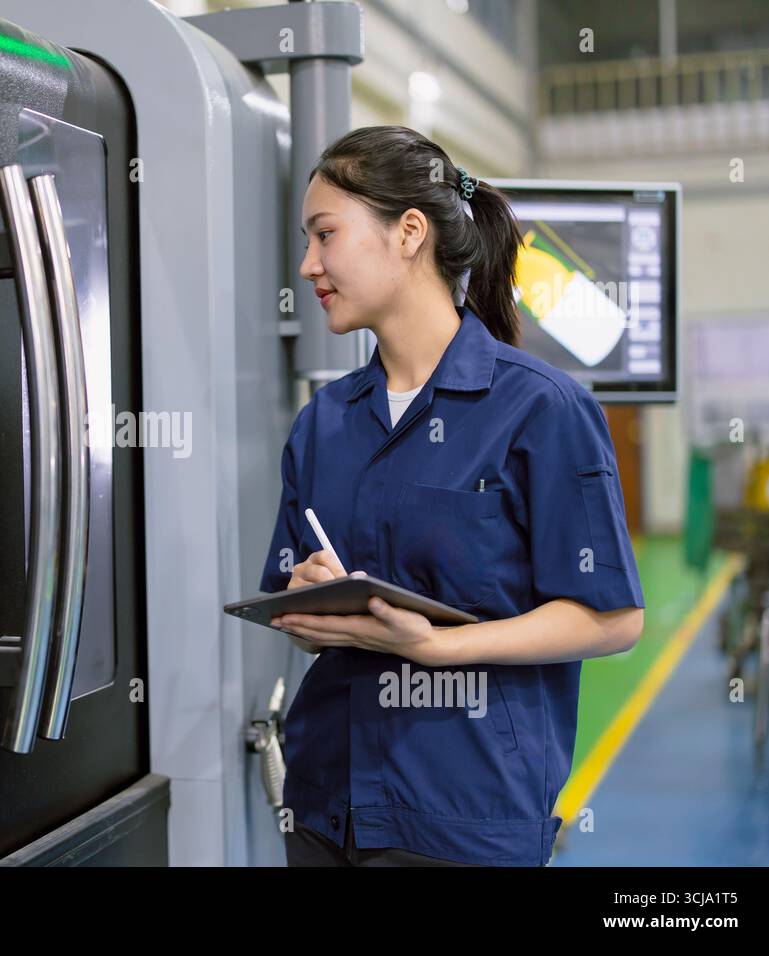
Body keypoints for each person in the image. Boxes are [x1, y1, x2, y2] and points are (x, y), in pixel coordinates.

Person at [259, 126, 646, 867]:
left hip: (463, 819)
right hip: (325, 808)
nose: (309, 265)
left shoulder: (540, 409)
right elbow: (293, 609)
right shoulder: (325, 421)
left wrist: (439, 647)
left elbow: (612, 618)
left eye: (325, 235)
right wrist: (307, 601)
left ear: (409, 233)